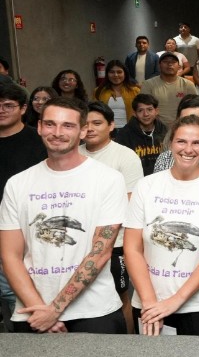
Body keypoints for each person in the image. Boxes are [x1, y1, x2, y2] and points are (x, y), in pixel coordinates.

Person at [0, 97, 128, 333]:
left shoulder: (108, 179)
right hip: (32, 312)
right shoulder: (18, 184)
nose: (57, 132)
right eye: (50, 124)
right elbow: (10, 255)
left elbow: (100, 253)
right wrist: (40, 309)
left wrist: (54, 310)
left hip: (94, 312)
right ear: (39, 127)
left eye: (68, 125)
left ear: (82, 131)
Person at [123, 115, 199, 336]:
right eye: (181, 141)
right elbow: (132, 249)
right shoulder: (146, 186)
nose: (189, 149)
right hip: (149, 303)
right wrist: (150, 302)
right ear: (170, 144)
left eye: (197, 143)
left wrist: (175, 301)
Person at [80, 100, 144, 331]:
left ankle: (126, 343)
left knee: (120, 295)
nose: (90, 128)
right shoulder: (72, 153)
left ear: (111, 126)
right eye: (85, 124)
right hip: (79, 241)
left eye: (97, 123)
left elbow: (130, 202)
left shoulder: (124, 156)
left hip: (115, 242)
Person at [0, 84, 48, 327]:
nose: (1, 110)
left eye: (8, 105)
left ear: (23, 109)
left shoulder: (39, 142)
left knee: (18, 301)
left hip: (24, 235)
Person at [140, 52, 198, 127]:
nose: (169, 64)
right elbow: (144, 109)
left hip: (182, 127)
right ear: (159, 65)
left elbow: (194, 108)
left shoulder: (188, 84)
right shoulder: (148, 84)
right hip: (156, 128)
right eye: (165, 62)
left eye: (173, 62)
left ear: (179, 66)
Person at [93, 59, 140, 128]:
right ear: (107, 74)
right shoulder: (99, 91)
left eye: (119, 72)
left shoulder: (135, 91)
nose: (116, 75)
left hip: (130, 130)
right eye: (112, 72)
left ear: (125, 73)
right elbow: (94, 112)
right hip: (106, 130)